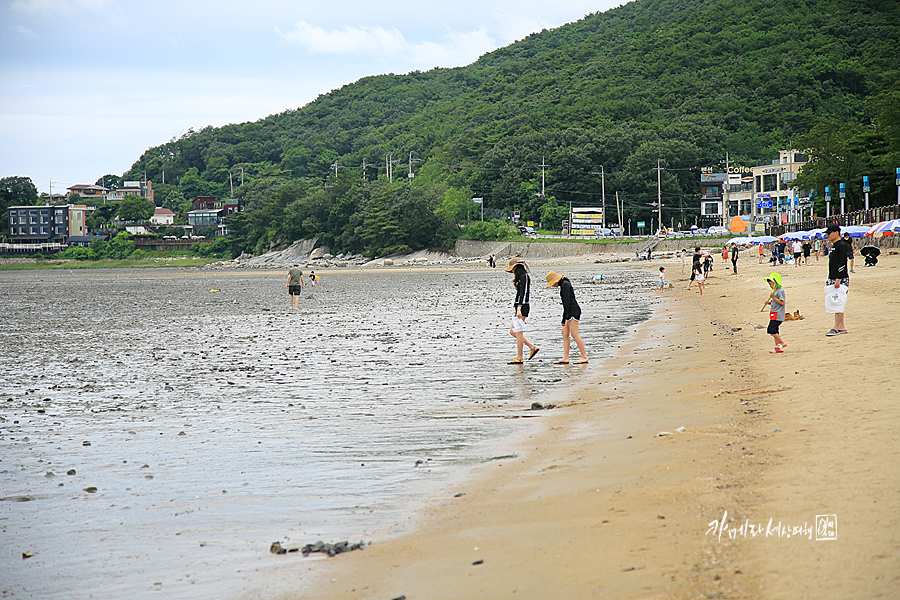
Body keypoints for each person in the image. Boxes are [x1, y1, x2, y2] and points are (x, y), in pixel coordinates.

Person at [545, 271, 588, 364]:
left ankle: (584, 356)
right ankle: (565, 357)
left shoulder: (565, 285)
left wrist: (564, 318)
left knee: (574, 334)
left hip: (572, 311)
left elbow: (567, 302)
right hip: (570, 311)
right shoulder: (564, 284)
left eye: (552, 284)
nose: (552, 286)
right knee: (564, 333)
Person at [506, 259, 538, 364]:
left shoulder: (525, 277)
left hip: (523, 307)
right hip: (520, 306)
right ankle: (532, 347)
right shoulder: (521, 278)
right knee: (513, 331)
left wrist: (519, 307)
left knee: (518, 333)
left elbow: (524, 293)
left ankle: (519, 357)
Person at [825, 224, 850, 336]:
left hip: (840, 278)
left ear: (836, 232)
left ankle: (835, 327)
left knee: (838, 302)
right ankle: (841, 326)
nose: (827, 235)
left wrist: (838, 278)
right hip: (832, 276)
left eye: (829, 233)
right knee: (836, 301)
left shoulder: (842, 245)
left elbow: (842, 263)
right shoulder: (834, 246)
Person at [761, 273, 786, 353]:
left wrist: (773, 297)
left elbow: (782, 303)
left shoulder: (780, 291)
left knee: (771, 329)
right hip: (773, 313)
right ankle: (777, 347)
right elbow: (775, 303)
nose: (770, 286)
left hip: (778, 314)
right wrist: (769, 303)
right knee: (775, 330)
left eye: (771, 284)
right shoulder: (774, 291)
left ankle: (781, 343)